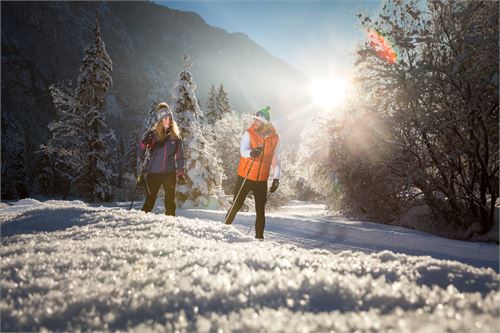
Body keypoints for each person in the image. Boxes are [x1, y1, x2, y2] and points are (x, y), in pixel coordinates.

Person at [225, 106, 280, 240]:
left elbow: (276, 159)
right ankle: (224, 229)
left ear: (265, 123)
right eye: (255, 119)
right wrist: (251, 152)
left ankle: (259, 238)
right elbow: (243, 151)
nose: (255, 122)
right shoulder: (248, 133)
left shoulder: (275, 138)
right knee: (237, 205)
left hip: (261, 180)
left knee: (260, 210)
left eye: (258, 120)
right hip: (245, 176)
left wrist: (276, 178)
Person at [140, 103, 186, 216]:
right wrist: (143, 143)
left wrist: (180, 173)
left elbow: (180, 156)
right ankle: (141, 224)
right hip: (153, 173)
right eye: (165, 118)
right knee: (150, 201)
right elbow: (140, 152)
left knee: (170, 202)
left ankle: (170, 227)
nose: (168, 120)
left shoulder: (175, 136)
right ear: (160, 120)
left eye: (170, 118)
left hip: (169, 173)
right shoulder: (152, 134)